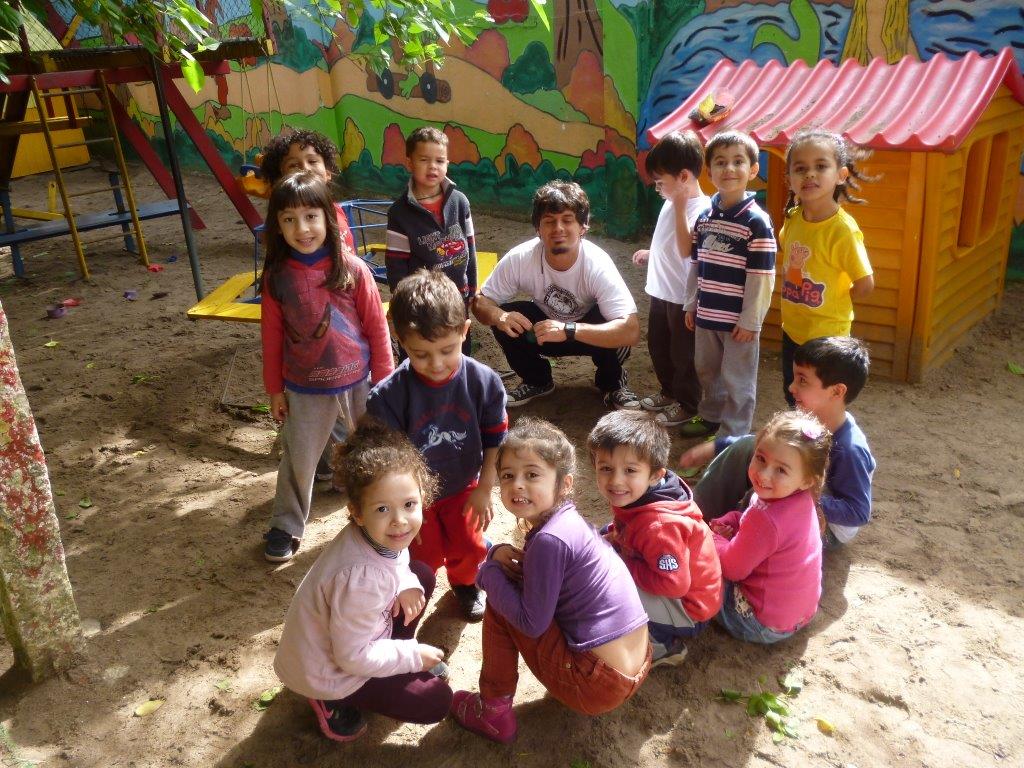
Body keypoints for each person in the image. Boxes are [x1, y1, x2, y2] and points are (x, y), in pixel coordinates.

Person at [451, 418, 650, 744]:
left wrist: (487, 572)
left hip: (597, 686)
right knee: (512, 587)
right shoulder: (569, 522)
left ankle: (492, 711)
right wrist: (499, 553)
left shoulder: (549, 541)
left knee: (500, 598)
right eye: (508, 475)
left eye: (532, 475)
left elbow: (531, 624)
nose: (517, 485)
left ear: (564, 483)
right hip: (635, 666)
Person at [273, 420, 452, 742]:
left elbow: (396, 561)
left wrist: (405, 582)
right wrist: (412, 656)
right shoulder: (362, 580)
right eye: (382, 509)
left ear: (422, 496)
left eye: (409, 505)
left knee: (420, 576)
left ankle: (391, 657)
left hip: (346, 638)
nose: (400, 520)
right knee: (436, 701)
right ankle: (330, 700)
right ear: (357, 512)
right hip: (330, 670)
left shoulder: (376, 535)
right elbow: (351, 657)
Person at [260, 172, 394, 562]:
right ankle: (285, 524)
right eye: (289, 219)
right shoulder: (277, 277)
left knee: (372, 454)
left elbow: (377, 328)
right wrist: (275, 389)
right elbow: (271, 338)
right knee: (298, 460)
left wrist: (385, 382)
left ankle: (382, 517)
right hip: (304, 390)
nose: (302, 229)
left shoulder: (352, 269)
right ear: (277, 225)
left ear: (328, 217)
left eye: (310, 217)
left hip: (359, 383)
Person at [366, 270, 507, 620]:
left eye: (447, 350)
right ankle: (418, 587)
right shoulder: (387, 397)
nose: (437, 364)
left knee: (470, 546)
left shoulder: (484, 382)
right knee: (423, 555)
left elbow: (495, 439)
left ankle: (466, 583)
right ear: (399, 338)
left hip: (465, 486)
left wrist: (485, 488)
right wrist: (402, 508)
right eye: (421, 354)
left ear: (465, 331)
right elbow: (389, 465)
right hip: (414, 496)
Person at [682, 336, 876, 548]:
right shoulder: (806, 419)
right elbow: (758, 442)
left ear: (836, 391)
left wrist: (799, 494)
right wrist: (717, 446)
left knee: (764, 493)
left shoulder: (850, 448)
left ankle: (734, 545)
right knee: (749, 451)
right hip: (797, 489)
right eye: (794, 378)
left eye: (803, 380)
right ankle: (691, 514)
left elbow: (857, 511)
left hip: (826, 526)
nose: (792, 387)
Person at [472, 181, 642, 410]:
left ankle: (612, 384)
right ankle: (537, 381)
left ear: (583, 227)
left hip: (587, 334)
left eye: (567, 220)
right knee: (508, 316)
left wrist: (569, 329)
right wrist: (499, 316)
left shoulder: (598, 264)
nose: (558, 228)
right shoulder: (521, 258)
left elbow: (631, 330)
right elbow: (481, 302)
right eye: (549, 221)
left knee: (612, 319)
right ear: (538, 228)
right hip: (544, 333)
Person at [261, 128, 359, 482]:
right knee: (316, 405)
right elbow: (277, 308)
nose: (304, 168)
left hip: (343, 334)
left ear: (328, 170)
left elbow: (351, 272)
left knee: (345, 408)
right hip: (306, 339)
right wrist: (275, 388)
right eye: (293, 164)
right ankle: (322, 465)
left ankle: (335, 466)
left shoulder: (336, 216)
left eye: (312, 161)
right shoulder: (285, 233)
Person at [587, 411, 722, 666]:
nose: (615, 481)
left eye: (630, 470)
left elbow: (674, 586)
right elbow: (627, 525)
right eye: (605, 468)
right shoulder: (646, 494)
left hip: (690, 610)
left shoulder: (658, 527)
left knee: (609, 584)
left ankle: (663, 645)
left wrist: (623, 563)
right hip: (689, 590)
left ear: (655, 475)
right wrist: (612, 537)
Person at [681, 130, 776, 438]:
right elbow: (696, 264)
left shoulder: (757, 222)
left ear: (753, 169)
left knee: (738, 379)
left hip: (739, 324)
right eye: (720, 162)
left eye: (738, 161)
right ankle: (711, 416)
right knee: (707, 370)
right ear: (709, 172)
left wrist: (751, 320)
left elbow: (761, 277)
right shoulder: (704, 217)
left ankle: (733, 433)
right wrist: (691, 304)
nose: (729, 168)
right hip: (707, 314)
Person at [710, 411, 831, 644]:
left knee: (695, 560)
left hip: (759, 624)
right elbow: (751, 523)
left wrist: (711, 537)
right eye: (761, 458)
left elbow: (732, 569)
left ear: (807, 480)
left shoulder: (766, 519)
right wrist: (732, 520)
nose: (764, 474)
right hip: (797, 616)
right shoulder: (800, 497)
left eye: (781, 470)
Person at [779, 129, 875, 404]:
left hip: (827, 340)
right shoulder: (793, 218)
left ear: (841, 175)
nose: (810, 174)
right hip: (792, 330)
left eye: (821, 166)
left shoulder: (842, 231)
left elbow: (865, 284)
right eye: (800, 168)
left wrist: (835, 300)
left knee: (821, 402)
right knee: (795, 395)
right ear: (789, 179)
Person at [633, 130, 711, 426]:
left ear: (683, 177)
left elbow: (685, 248)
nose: (657, 189)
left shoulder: (701, 210)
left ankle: (688, 403)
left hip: (682, 298)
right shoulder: (671, 201)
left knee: (683, 355)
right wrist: (651, 253)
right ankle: (668, 391)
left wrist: (679, 208)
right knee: (659, 347)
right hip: (660, 291)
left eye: (660, 182)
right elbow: (668, 241)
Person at [385, 126, 476, 355]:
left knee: (458, 350)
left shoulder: (460, 202)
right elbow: (396, 266)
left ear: (447, 163)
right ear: (410, 163)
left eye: (439, 160)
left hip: (457, 297)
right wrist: (401, 305)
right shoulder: (399, 213)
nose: (433, 166)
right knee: (421, 352)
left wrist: (472, 290)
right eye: (424, 160)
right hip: (421, 304)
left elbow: (470, 247)